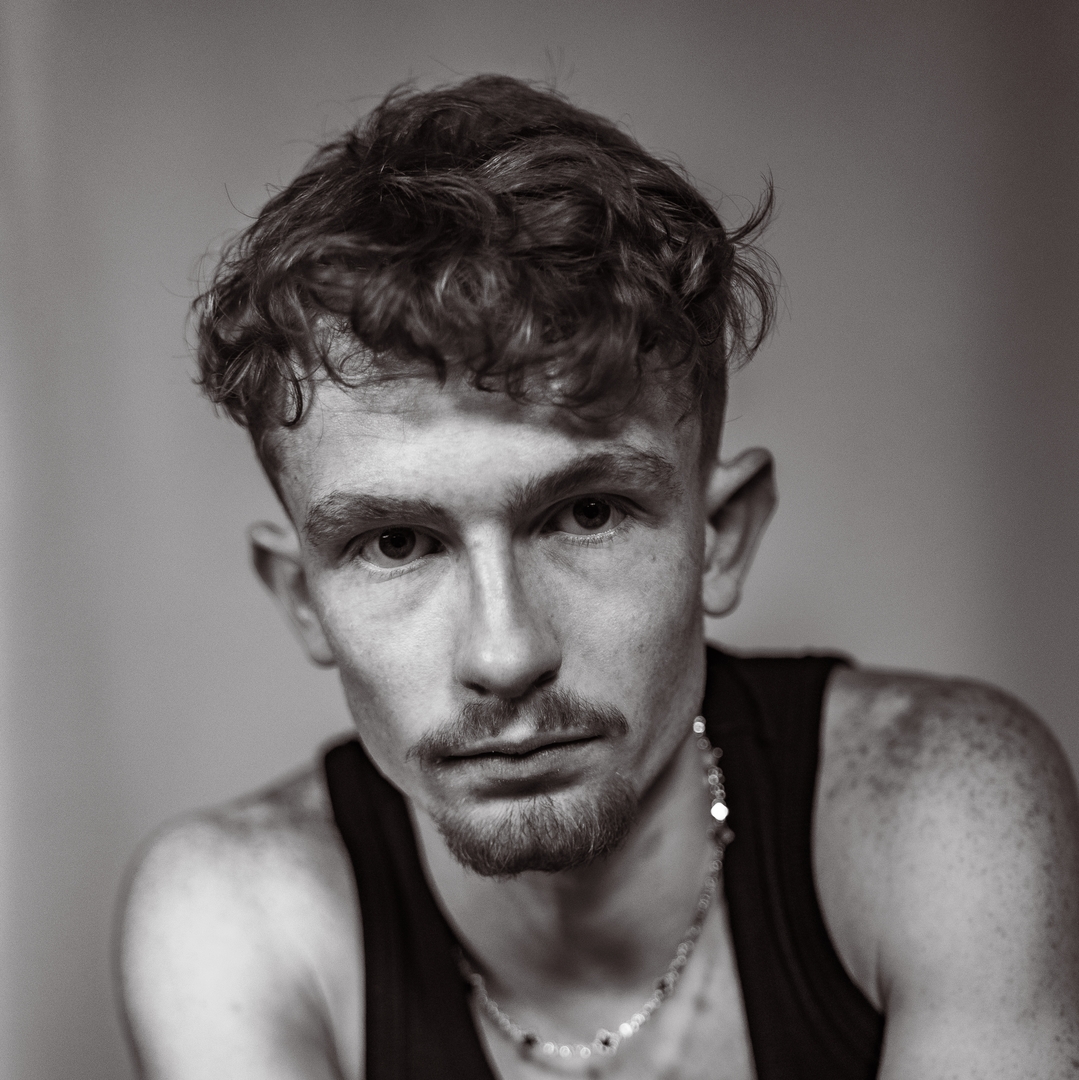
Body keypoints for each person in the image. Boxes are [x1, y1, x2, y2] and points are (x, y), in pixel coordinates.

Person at [117, 75, 1079, 1080]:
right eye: (397, 543)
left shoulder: (939, 808)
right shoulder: (235, 918)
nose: (505, 655)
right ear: (301, 598)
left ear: (719, 537)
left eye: (586, 515)